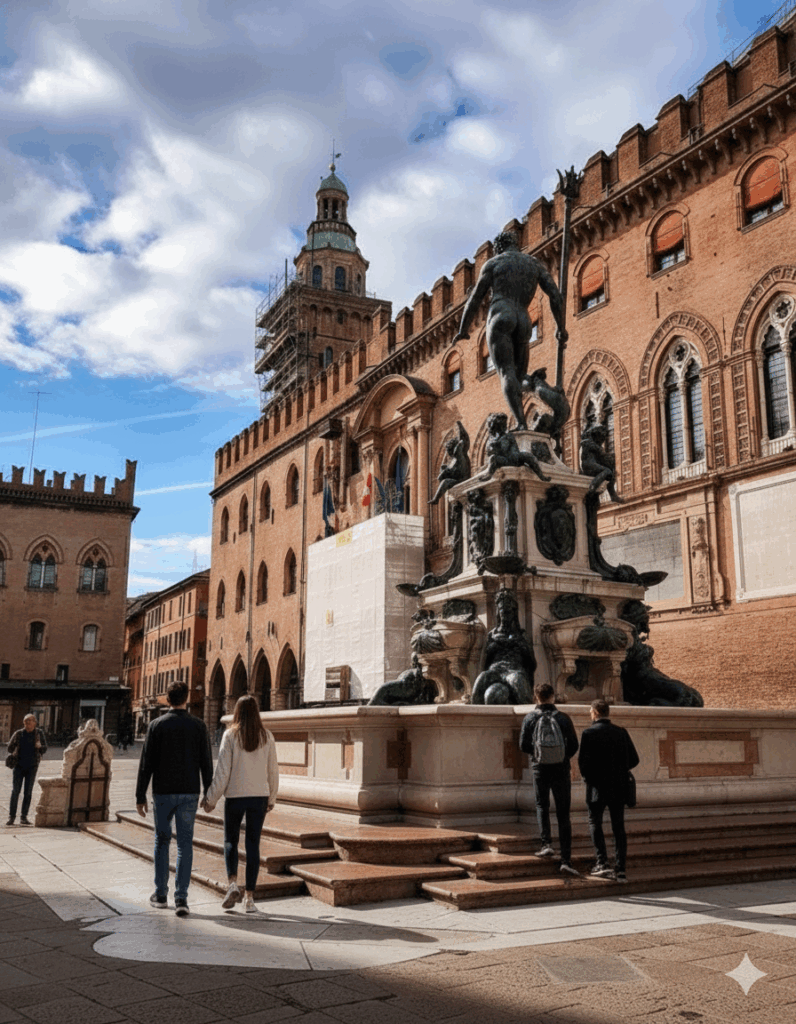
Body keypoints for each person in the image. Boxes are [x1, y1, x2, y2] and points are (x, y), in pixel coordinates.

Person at [453, 230, 567, 431]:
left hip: (500, 317)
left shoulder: (494, 264)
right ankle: (539, 386)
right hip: (524, 320)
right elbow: (555, 296)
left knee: (507, 372)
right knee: (521, 376)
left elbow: (475, 298)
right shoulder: (533, 264)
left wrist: (463, 329)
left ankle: (521, 423)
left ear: (498, 248)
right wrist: (561, 326)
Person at [135, 680, 213, 916]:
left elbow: (146, 763)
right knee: (185, 845)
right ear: (186, 698)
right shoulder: (199, 726)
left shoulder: (156, 725)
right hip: (189, 791)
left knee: (162, 840)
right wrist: (209, 793)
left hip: (163, 792)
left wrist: (140, 795)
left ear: (167, 699)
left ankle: (160, 894)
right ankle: (181, 899)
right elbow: (206, 763)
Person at [202, 694, 279, 914]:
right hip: (259, 796)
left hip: (235, 795)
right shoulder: (267, 736)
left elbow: (223, 772)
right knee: (253, 844)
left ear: (236, 712)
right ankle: (250, 898)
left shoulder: (230, 735)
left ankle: (233, 884)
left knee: (230, 841)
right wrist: (272, 797)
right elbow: (273, 770)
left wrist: (210, 799)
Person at [519, 682, 579, 876]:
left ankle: (546, 844)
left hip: (540, 768)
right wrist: (562, 757)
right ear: (553, 696)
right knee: (563, 813)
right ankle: (566, 859)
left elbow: (523, 745)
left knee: (542, 805)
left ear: (536, 697)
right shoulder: (563, 718)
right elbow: (574, 745)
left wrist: (538, 755)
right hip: (561, 769)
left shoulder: (530, 718)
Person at [578, 698, 639, 882]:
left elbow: (583, 764)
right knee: (618, 827)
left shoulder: (588, 733)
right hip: (619, 787)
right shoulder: (621, 732)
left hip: (597, 787)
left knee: (595, 823)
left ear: (595, 712)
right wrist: (619, 769)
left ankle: (602, 862)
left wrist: (591, 778)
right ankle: (620, 868)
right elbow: (634, 759)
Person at [7, 714, 47, 826]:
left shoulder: (39, 734)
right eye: (25, 721)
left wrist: (39, 747)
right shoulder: (18, 733)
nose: (27, 723)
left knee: (28, 793)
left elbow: (44, 749)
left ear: (35, 722)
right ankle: (12, 817)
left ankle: (23, 817)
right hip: (18, 766)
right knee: (15, 791)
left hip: (32, 767)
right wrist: (14, 746)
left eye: (29, 721)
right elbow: (9, 748)